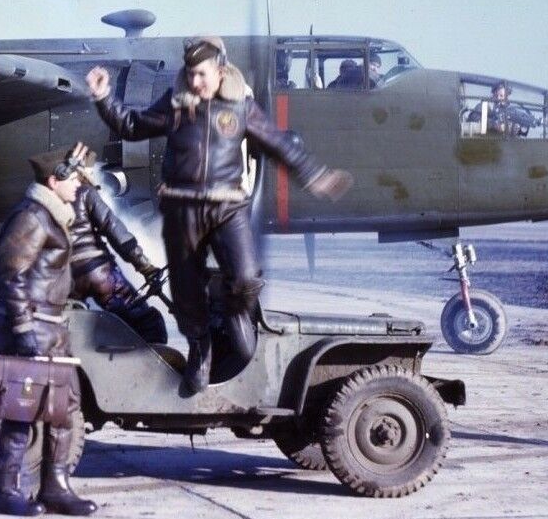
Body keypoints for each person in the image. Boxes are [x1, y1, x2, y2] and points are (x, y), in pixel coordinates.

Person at [87, 37, 352, 396]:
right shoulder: (178, 105)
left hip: (228, 206)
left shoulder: (241, 105)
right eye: (190, 74)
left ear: (220, 71)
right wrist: (104, 98)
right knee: (186, 291)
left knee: (245, 277)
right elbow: (132, 125)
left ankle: (229, 318)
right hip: (183, 208)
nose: (195, 82)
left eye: (202, 74)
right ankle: (200, 350)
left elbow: (277, 143)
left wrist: (315, 176)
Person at [0, 147, 96, 517]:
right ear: (53, 180)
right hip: (32, 326)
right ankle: (3, 490)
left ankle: (55, 487)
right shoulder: (32, 217)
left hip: (53, 328)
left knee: (63, 412)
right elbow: (8, 272)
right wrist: (22, 328)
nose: (79, 183)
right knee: (21, 412)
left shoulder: (55, 216)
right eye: (74, 178)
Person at [65, 147, 169, 345]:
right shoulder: (86, 193)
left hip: (65, 279)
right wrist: (145, 266)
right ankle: (154, 362)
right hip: (99, 273)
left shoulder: (49, 197)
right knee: (144, 320)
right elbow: (116, 233)